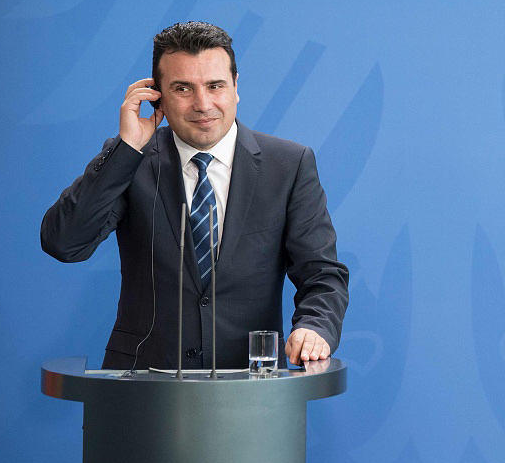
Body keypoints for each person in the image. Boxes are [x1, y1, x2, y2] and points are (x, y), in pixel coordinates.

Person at [42, 21, 349, 370]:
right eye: (183, 89)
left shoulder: (289, 165)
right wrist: (126, 149)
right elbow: (64, 243)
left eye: (215, 86)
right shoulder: (129, 161)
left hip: (253, 387)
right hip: (142, 386)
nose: (203, 104)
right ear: (157, 94)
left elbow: (322, 274)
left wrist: (315, 327)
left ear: (235, 87)